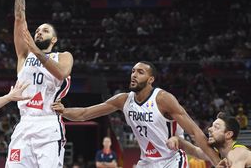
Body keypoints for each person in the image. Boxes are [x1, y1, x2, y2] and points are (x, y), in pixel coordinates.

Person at [52, 61, 220, 167]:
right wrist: (63, 110)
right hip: (146, 161)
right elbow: (84, 114)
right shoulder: (123, 100)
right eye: (133, 71)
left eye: (140, 72)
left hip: (171, 161)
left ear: (151, 79)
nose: (134, 75)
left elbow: (195, 132)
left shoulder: (163, 99)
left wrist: (217, 162)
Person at [6, 0, 74, 168]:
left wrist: (36, 50)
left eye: (44, 31)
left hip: (48, 124)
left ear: (54, 38)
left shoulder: (63, 56)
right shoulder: (24, 55)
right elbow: (19, 18)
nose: (39, 32)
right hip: (24, 123)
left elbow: (62, 73)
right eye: (37, 30)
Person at [166, 112, 251, 168]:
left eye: (216, 127)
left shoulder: (238, 153)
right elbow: (194, 150)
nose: (209, 129)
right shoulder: (218, 153)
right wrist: (176, 139)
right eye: (211, 126)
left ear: (228, 134)